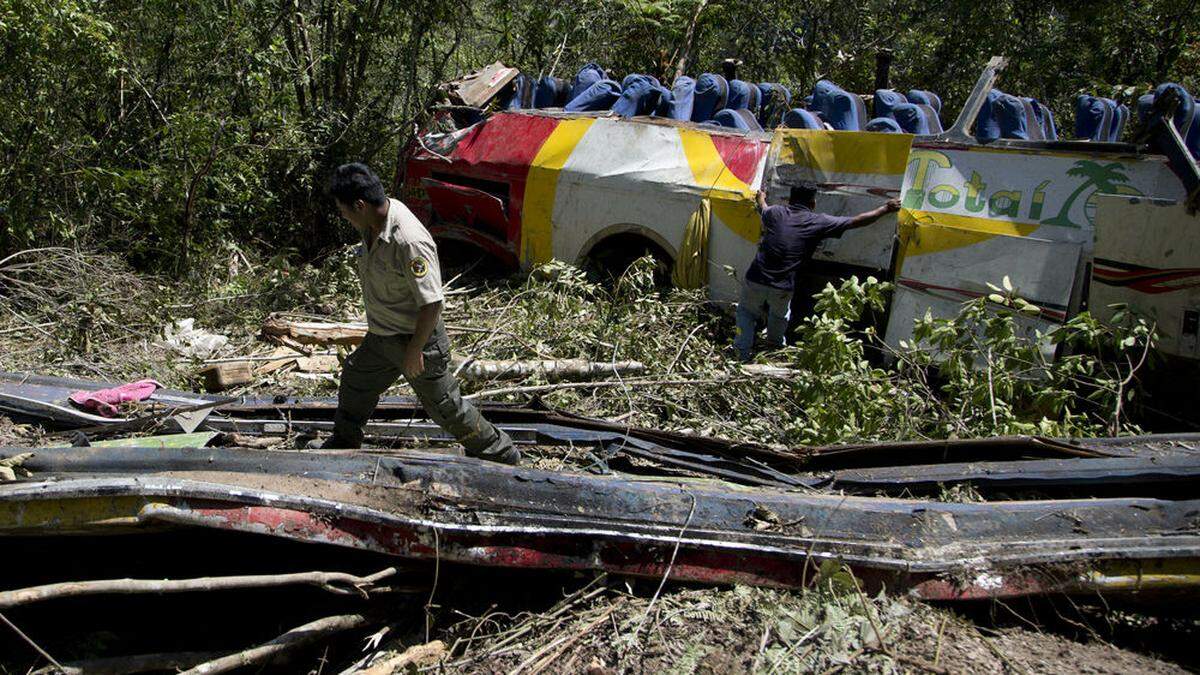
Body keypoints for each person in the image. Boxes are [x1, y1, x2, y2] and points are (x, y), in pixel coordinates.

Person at [320, 163, 519, 464]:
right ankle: (344, 440)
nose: (342, 216)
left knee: (444, 406)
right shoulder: (371, 223)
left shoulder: (409, 240)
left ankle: (502, 453)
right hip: (382, 336)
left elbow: (432, 302)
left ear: (360, 205)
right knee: (355, 381)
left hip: (417, 340)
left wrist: (414, 349)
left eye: (343, 210)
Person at [733, 182, 900, 361]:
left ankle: (740, 356)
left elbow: (763, 208)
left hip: (755, 277)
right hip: (782, 286)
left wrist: (761, 198)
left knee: (746, 313)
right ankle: (773, 352)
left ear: (789, 200)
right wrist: (885, 208)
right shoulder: (817, 221)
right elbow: (855, 221)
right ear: (813, 204)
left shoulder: (775, 213)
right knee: (778, 317)